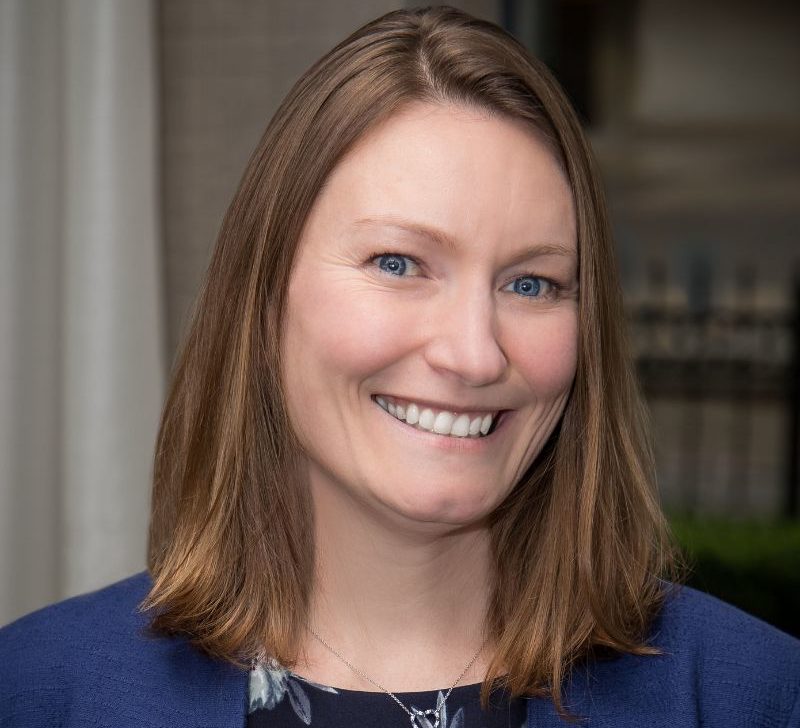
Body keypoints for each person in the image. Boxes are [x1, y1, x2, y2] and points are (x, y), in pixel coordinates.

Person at [1, 5, 798, 728]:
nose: (474, 352)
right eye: (397, 262)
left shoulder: (756, 697)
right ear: (264, 297)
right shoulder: (36, 691)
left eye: (532, 283)